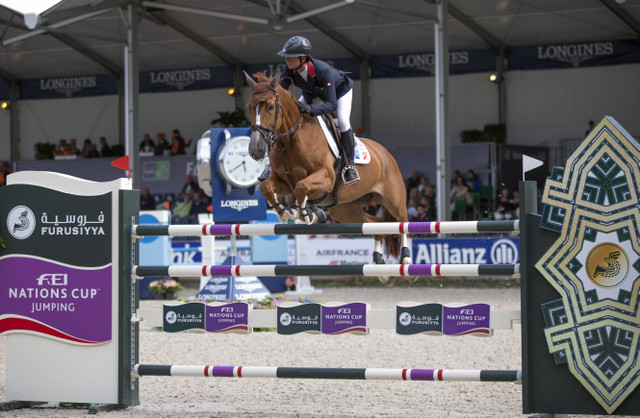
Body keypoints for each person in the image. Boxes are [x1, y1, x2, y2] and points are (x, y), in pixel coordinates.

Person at [277, 36, 360, 185]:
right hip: (313, 93)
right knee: (292, 118)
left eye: (290, 57)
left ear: (302, 58)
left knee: (343, 121)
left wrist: (310, 109)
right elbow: (281, 93)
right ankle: (273, 163)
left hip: (339, 93)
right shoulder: (288, 69)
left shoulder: (323, 71)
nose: (286, 61)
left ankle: (350, 167)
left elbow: (331, 105)